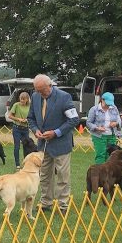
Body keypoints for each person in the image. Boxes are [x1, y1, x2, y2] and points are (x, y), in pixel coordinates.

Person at [27, 74, 80, 213]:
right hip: (43, 144)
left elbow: (74, 119)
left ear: (50, 85)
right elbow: (30, 118)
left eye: (42, 90)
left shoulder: (64, 97)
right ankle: (46, 202)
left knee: (63, 175)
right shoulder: (35, 97)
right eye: (37, 90)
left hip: (61, 143)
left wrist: (56, 132)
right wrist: (35, 130)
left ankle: (63, 204)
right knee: (44, 174)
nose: (40, 93)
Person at [86, 92, 122, 164]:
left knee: (112, 156)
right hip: (99, 136)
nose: (109, 105)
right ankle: (100, 173)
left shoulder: (114, 108)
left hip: (112, 135)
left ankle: (110, 173)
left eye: (110, 103)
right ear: (102, 100)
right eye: (107, 103)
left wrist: (116, 123)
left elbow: (119, 120)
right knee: (101, 155)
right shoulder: (94, 109)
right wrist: (97, 128)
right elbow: (88, 123)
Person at [7, 91, 31, 168]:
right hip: (17, 128)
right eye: (21, 99)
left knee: (27, 146)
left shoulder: (30, 106)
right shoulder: (16, 105)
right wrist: (18, 119)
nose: (22, 101)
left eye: (24, 99)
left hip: (25, 129)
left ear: (27, 99)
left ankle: (26, 162)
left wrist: (27, 120)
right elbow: (9, 116)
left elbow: (32, 117)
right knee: (17, 146)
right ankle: (17, 164)